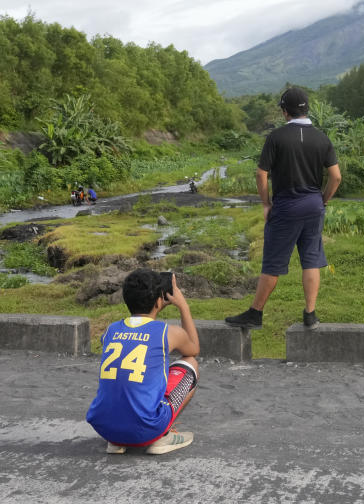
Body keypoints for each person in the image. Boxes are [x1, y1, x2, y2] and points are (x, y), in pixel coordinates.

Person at [226, 87, 341, 331]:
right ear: (306, 109)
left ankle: (255, 313)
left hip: (287, 206)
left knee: (273, 263)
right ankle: (310, 314)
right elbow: (336, 177)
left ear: (284, 111)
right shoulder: (322, 138)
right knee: (311, 260)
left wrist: (266, 203)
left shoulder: (276, 137)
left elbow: (261, 173)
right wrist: (323, 200)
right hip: (313, 205)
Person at [86, 269, 200, 455]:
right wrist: (183, 306)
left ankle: (116, 443)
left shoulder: (111, 330)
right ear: (158, 301)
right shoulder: (167, 332)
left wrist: (153, 308)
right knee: (190, 363)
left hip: (104, 428)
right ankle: (162, 437)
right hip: (147, 430)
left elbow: (136, 338)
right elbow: (193, 348)